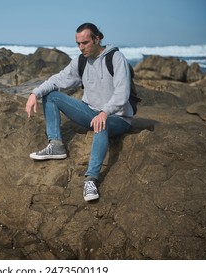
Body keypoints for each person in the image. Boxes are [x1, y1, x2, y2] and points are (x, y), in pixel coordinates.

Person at [25, 23, 133, 201]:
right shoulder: (81, 61)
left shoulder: (115, 58)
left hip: (117, 118)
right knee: (51, 96)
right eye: (78, 44)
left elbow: (122, 94)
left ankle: (90, 180)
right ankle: (56, 145)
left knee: (101, 124)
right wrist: (34, 93)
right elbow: (58, 79)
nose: (81, 47)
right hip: (90, 112)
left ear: (97, 39)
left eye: (85, 43)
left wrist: (105, 112)